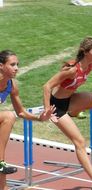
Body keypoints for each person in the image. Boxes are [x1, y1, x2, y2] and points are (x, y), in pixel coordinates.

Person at [42, 37, 92, 190]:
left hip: (71, 100)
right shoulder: (72, 69)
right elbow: (47, 86)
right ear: (85, 52)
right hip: (57, 107)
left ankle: (74, 112)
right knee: (80, 142)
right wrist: (47, 109)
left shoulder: (91, 65)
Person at [0, 50, 55, 190]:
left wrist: (40, 118)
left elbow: (21, 112)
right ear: (1, 66)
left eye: (17, 64)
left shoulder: (11, 86)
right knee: (8, 116)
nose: (16, 68)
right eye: (12, 64)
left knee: (10, 116)